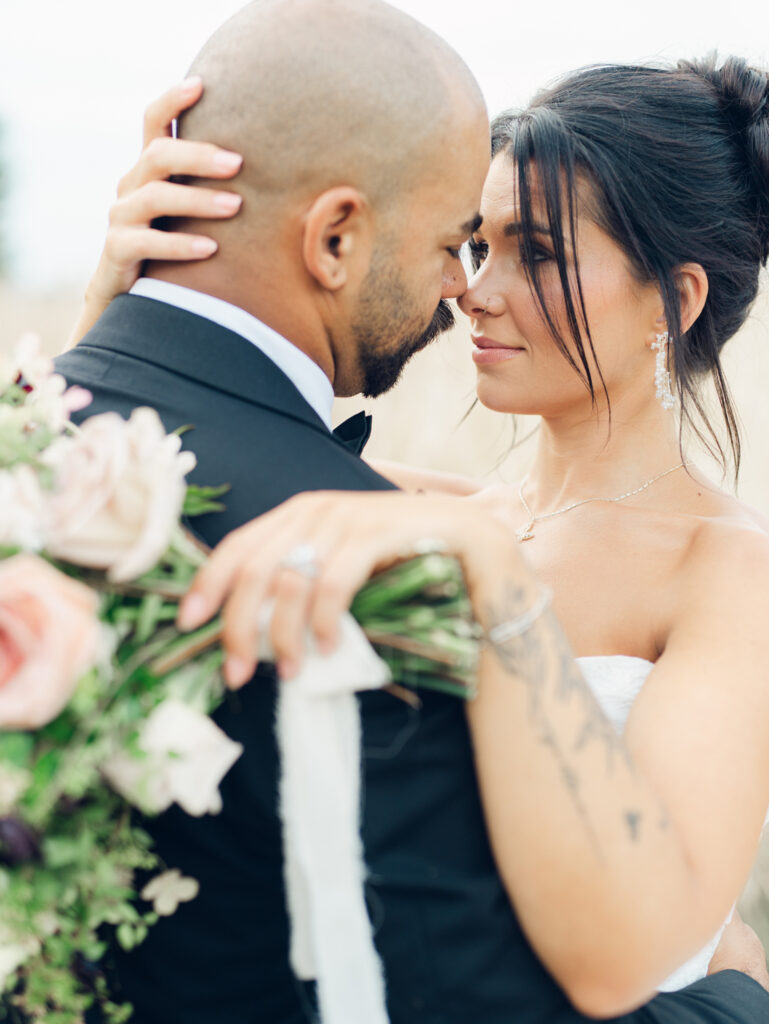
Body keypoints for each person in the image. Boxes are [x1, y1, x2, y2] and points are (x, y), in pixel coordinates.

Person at [58, 3, 769, 1022]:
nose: (474, 293)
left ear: (674, 299)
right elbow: (152, 483)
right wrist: (120, 306)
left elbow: (647, 950)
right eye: (476, 244)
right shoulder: (401, 505)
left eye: (541, 254)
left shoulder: (727, 574)